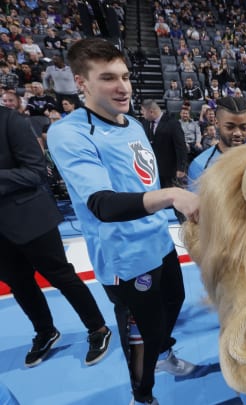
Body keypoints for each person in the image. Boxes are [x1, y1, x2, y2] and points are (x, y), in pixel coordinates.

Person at [47, 37, 199, 405]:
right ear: (82, 83)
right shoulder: (69, 132)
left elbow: (137, 182)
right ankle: (142, 396)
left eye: (126, 76)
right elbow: (103, 204)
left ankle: (163, 356)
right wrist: (170, 194)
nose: (123, 87)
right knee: (141, 335)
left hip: (159, 240)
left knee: (173, 302)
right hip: (124, 258)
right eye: (109, 78)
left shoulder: (131, 124)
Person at [0, 105, 112, 368]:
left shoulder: (11, 121)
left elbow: (36, 171)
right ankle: (45, 331)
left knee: (62, 276)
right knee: (20, 285)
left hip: (31, 218)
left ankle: (97, 328)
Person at [187, 96, 246, 192]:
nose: (238, 133)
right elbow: (198, 205)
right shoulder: (200, 165)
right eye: (230, 127)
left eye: (243, 128)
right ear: (217, 123)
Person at [140, 100, 187, 190]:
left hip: (168, 169)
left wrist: (181, 168)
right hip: (150, 169)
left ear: (151, 112)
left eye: (143, 111)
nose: (142, 114)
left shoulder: (173, 123)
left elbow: (180, 147)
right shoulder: (145, 123)